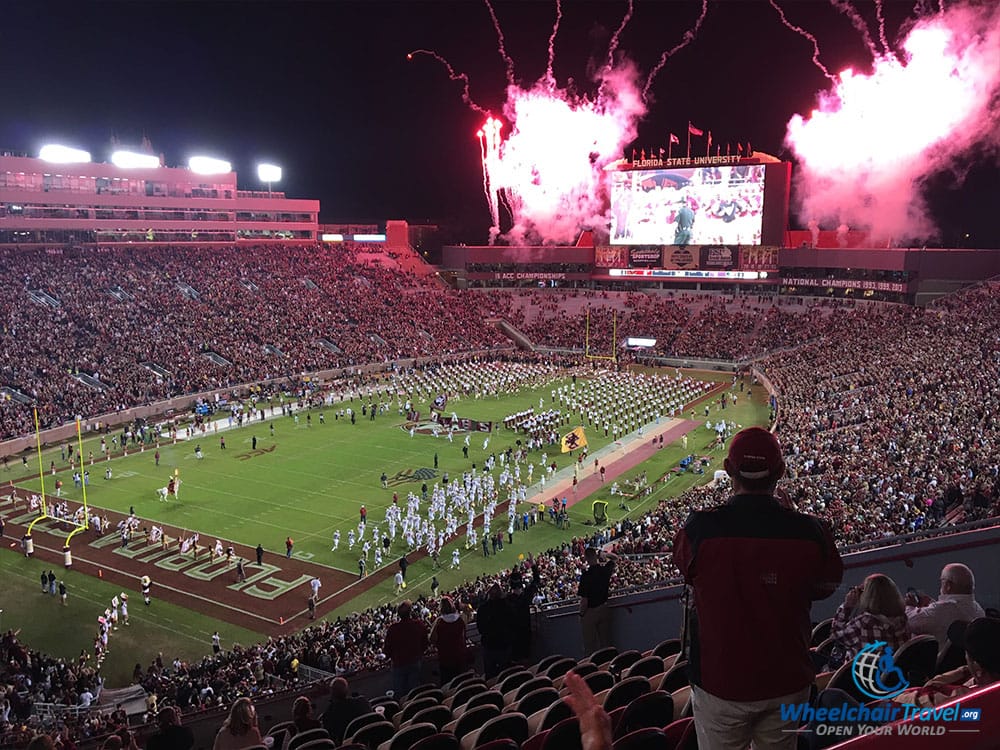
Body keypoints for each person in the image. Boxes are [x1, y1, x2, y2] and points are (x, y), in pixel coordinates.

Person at [672, 426, 843, 750]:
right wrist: (791, 519)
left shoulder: (700, 528)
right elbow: (826, 584)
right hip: (787, 678)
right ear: (780, 472)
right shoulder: (810, 532)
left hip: (720, 682)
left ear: (728, 469)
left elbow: (686, 568)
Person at [826, 573, 909, 669]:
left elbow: (835, 636)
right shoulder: (903, 619)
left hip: (861, 678)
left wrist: (847, 607)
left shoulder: (863, 623)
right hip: (891, 676)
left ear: (868, 596)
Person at [905, 563, 985, 655]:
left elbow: (910, 621)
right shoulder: (978, 609)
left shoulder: (944, 610)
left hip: (936, 666)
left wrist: (909, 606)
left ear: (948, 585)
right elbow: (944, 615)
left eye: (942, 581)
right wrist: (932, 604)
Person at [383, 600, 429, 697]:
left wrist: (392, 657)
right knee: (415, 691)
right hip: (415, 661)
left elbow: (387, 650)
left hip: (399, 664)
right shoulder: (418, 624)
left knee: (400, 693)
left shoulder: (393, 629)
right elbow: (425, 643)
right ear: (410, 612)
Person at [578, 547, 617, 655]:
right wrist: (604, 555)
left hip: (590, 612)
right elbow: (615, 558)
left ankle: (592, 669)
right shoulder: (604, 569)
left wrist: (581, 614)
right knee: (606, 643)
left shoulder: (586, 576)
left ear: (586, 558)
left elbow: (584, 600)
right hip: (604, 608)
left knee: (590, 646)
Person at [476, 583, 514, 679]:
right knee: (506, 674)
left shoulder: (482, 609)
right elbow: (512, 623)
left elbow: (480, 629)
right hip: (504, 644)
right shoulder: (507, 605)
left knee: (490, 675)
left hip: (490, 646)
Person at [321, 677, 371, 744]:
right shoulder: (362, 702)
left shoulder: (328, 716)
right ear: (347, 689)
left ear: (331, 692)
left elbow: (332, 739)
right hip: (367, 742)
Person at [429, 596, 468, 685]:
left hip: (446, 657)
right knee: (462, 681)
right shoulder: (461, 618)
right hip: (460, 654)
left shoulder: (439, 622)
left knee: (447, 682)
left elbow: (432, 639)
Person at [510, 563, 541, 663]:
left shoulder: (507, 600)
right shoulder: (526, 596)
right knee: (527, 659)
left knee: (516, 661)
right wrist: (533, 565)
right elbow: (536, 580)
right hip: (526, 632)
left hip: (513, 635)